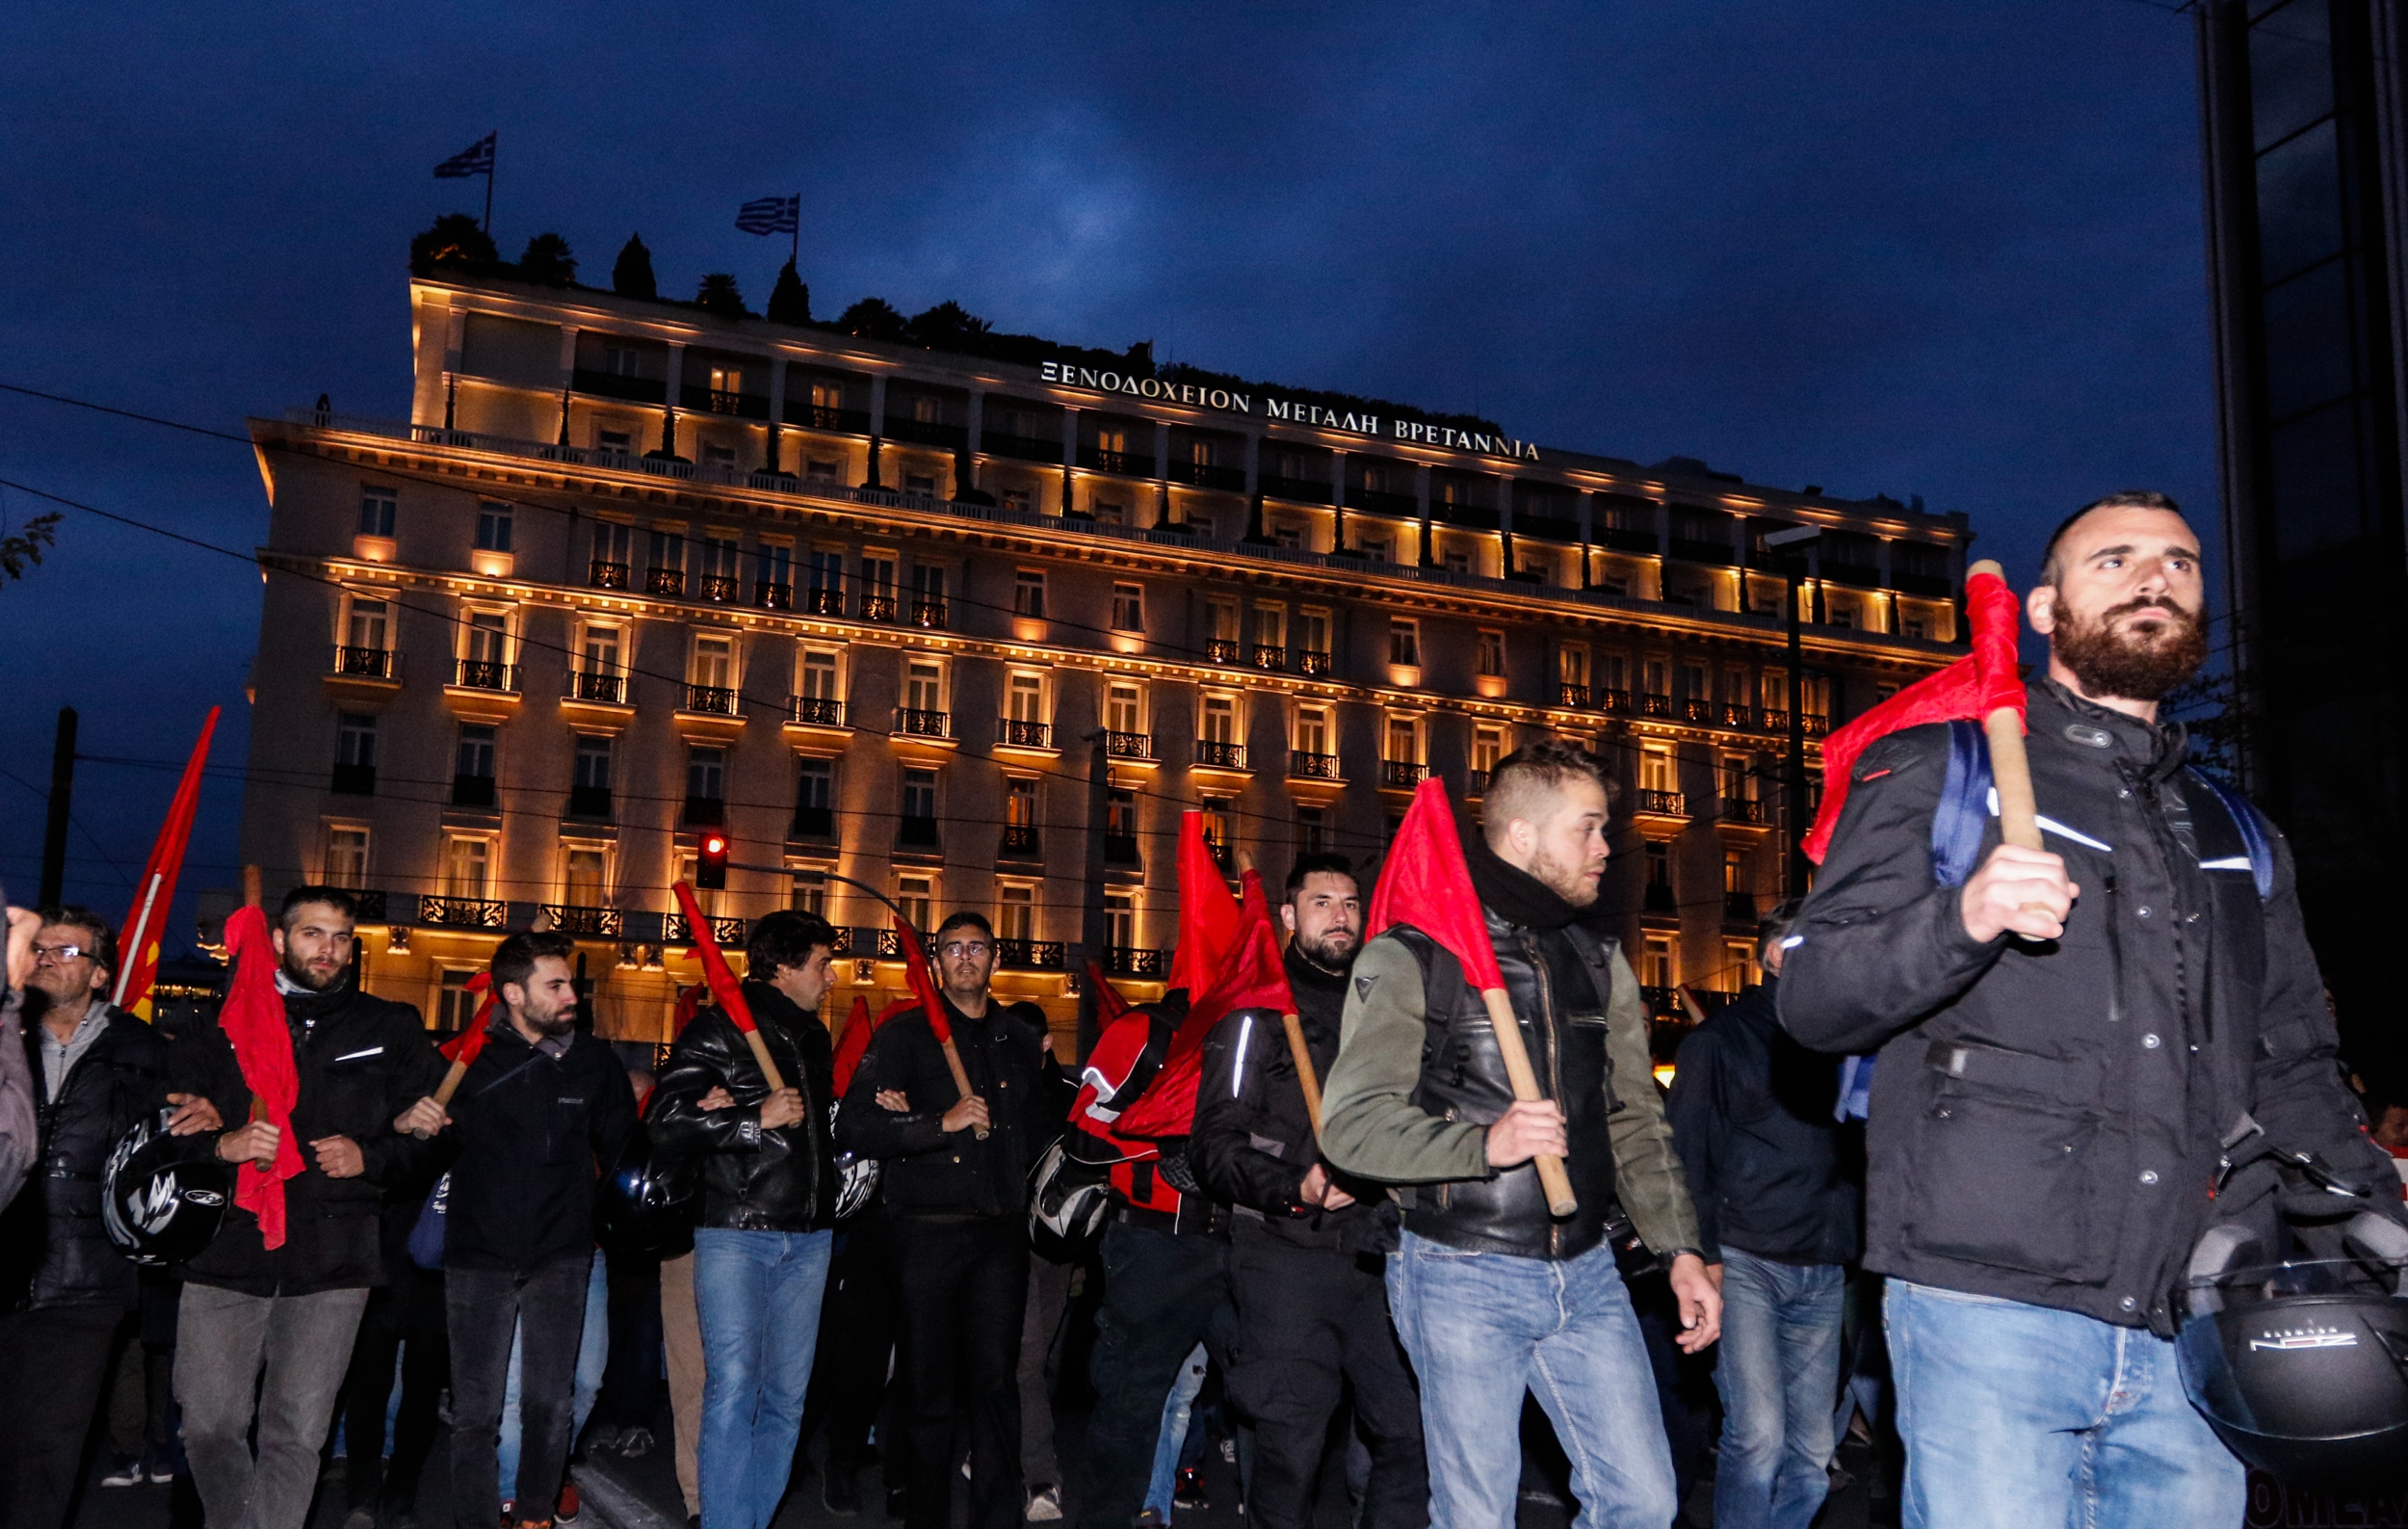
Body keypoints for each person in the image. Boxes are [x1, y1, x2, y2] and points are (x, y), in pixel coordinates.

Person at [1780, 491, 2408, 1529]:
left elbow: (2292, 1059)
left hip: (2194, 1312)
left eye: (2179, 562)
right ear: (2042, 609)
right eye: (2111, 561)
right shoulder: (1946, 770)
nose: (2152, 577)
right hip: (1989, 1303)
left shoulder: (2236, 830)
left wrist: (2373, 1209)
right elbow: (1813, 998)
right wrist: (1960, 916)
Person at [1322, 739, 1720, 1529]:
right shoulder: (1414, 956)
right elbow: (1350, 1124)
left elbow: (1637, 1118)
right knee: (1477, 1516)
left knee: (1643, 1500)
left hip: (1590, 1271)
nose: (1607, 849)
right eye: (1590, 829)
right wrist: (1482, 1146)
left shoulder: (1599, 960)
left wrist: (1680, 1248)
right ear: (1523, 835)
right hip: (1459, 1270)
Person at [177, 886, 446, 1529]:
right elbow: (173, 1129)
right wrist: (224, 1142)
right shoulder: (221, 1022)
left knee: (295, 1433)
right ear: (278, 939)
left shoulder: (389, 1026)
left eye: (341, 937)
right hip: (227, 1249)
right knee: (209, 1423)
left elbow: (434, 1132)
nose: (329, 950)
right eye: (312, 934)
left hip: (335, 1256)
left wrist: (373, 1154)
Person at [1188, 854, 1426, 1529]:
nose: (1340, 916)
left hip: (1381, 1261)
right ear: (1288, 915)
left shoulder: (1389, 1009)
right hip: (1284, 1258)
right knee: (1290, 1450)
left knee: (1411, 1433)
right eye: (1322, 902)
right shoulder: (1256, 1011)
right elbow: (1213, 1144)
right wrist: (1299, 1184)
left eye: (1351, 903)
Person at [398, 930, 635, 1529]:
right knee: (477, 1412)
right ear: (512, 993)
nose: (570, 997)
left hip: (562, 1254)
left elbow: (627, 1151)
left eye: (571, 984)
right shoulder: (466, 1063)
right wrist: (411, 1122)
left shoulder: (593, 1061)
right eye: (555, 986)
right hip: (478, 1258)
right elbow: (416, 1159)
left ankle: (533, 1515)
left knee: (550, 1405)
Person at [836, 911, 1055, 1529]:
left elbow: (1040, 1130)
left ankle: (996, 1519)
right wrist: (937, 1124)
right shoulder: (905, 1037)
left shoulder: (1016, 1039)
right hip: (926, 1235)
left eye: (976, 947)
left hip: (999, 1238)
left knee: (996, 1387)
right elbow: (854, 1126)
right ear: (936, 962)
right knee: (927, 1393)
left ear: (994, 958)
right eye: (952, 948)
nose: (965, 958)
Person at [1665, 901, 1858, 1529]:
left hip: (1823, 1267)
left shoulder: (1845, 1039)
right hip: (1744, 1263)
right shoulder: (1719, 1040)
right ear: (1773, 954)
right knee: (1759, 1439)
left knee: (1811, 1453)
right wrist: (1702, 1259)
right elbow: (1686, 1156)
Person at [650, 909, 845, 1529]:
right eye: (821, 963)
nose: (832, 977)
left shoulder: (813, 1035)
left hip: (810, 1237)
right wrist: (751, 1119)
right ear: (784, 968)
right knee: (733, 1391)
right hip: (737, 1232)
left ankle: (746, 1521)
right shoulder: (719, 1027)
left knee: (787, 1400)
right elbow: (664, 1119)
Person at [0, 908, 191, 1529]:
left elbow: (173, 1145)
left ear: (102, 975)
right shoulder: (5, 1031)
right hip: (5, 1252)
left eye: (67, 951)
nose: (48, 958)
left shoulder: (144, 1051)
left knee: (49, 1447)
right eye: (42, 948)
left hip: (87, 1275)